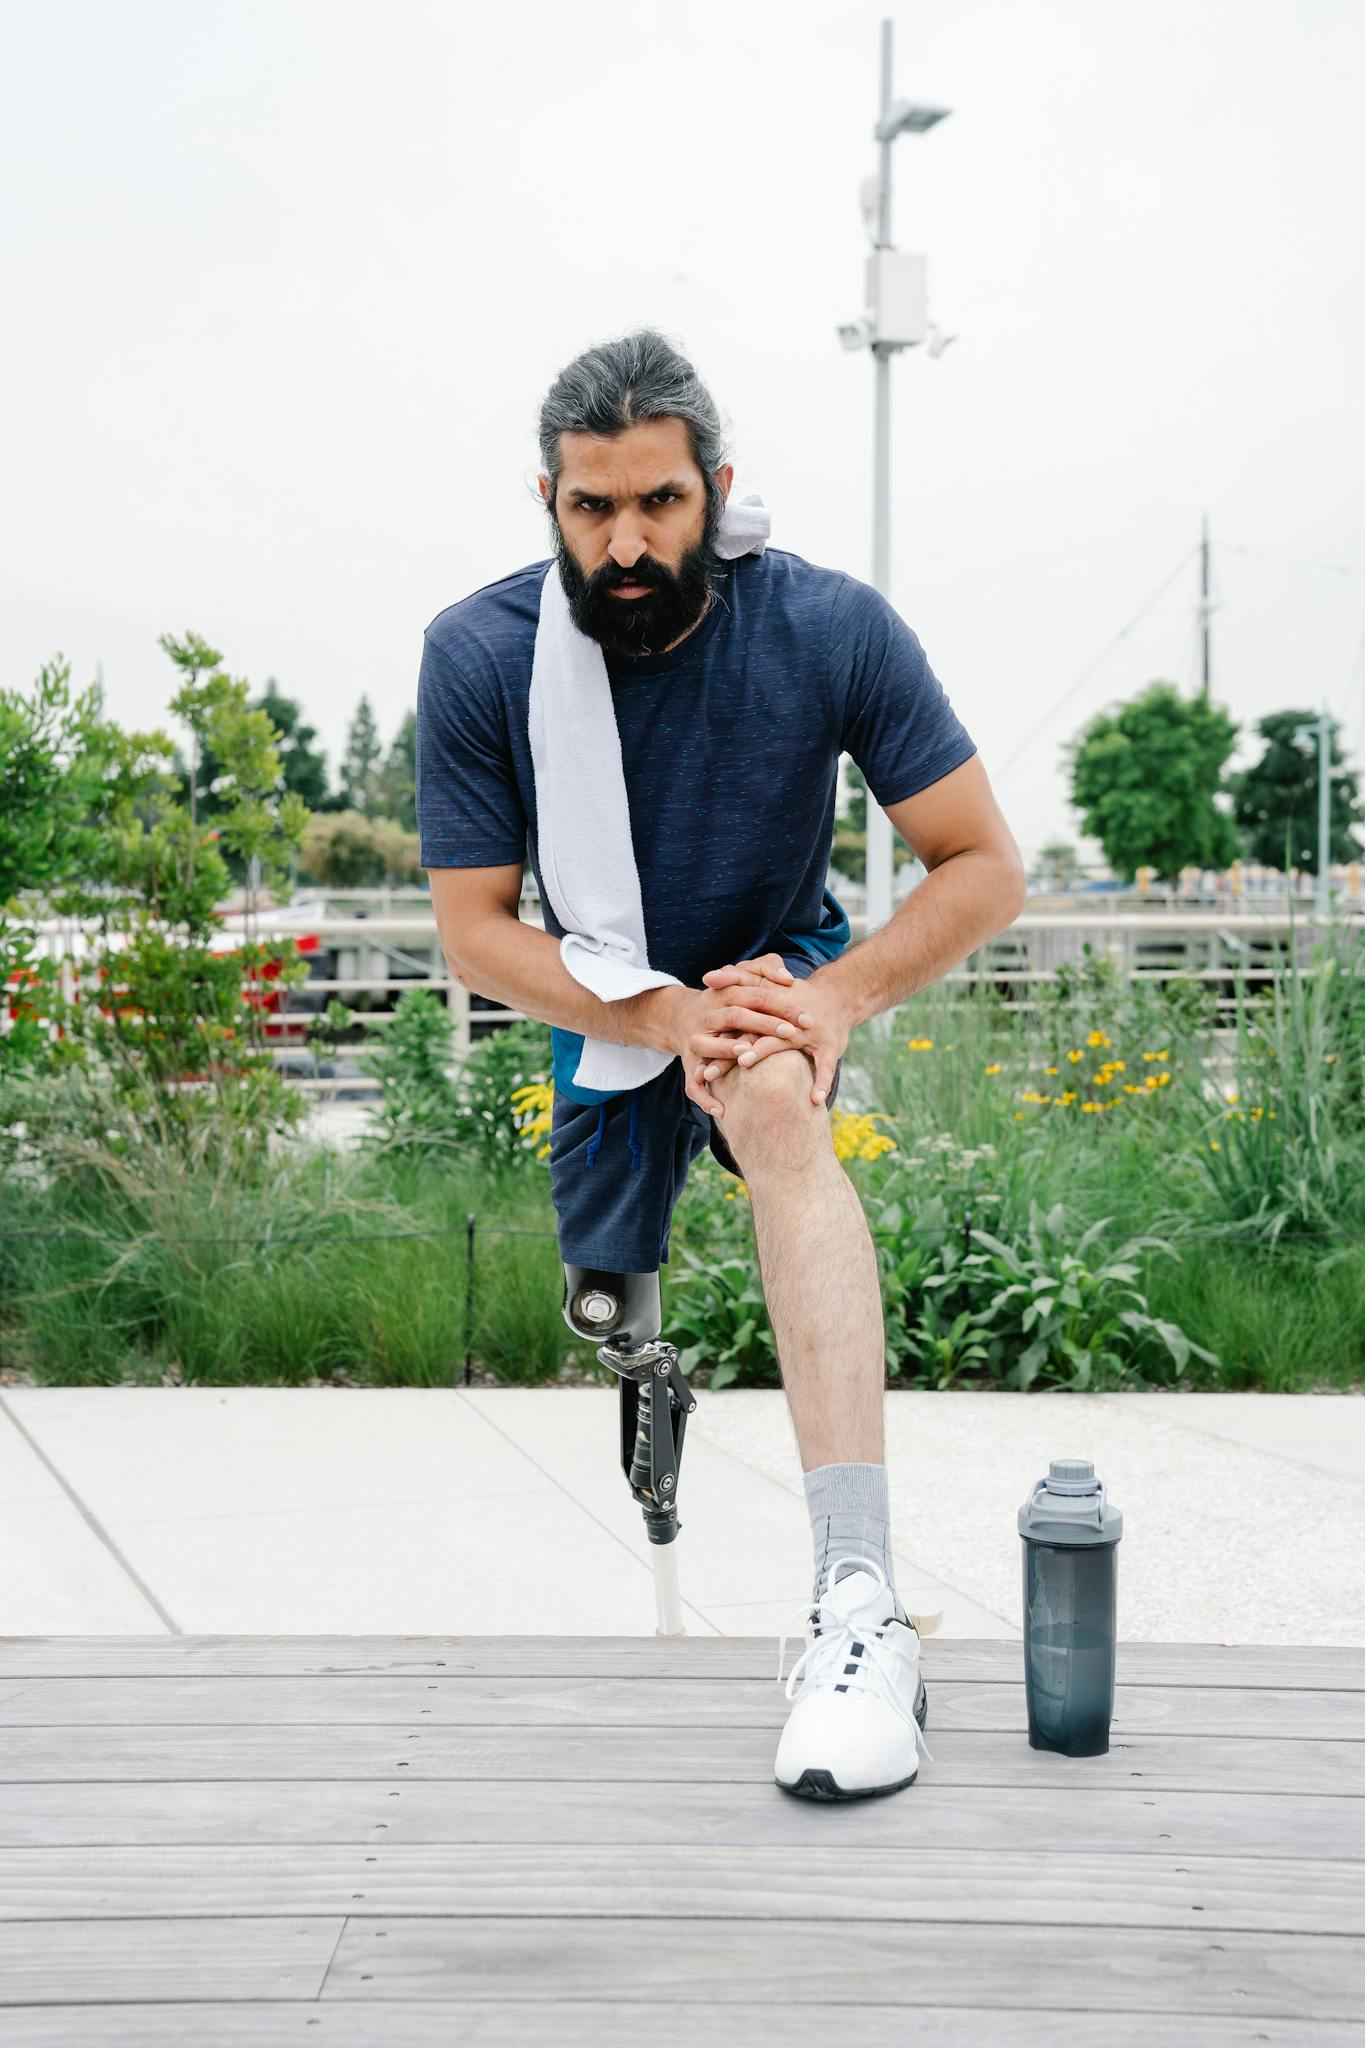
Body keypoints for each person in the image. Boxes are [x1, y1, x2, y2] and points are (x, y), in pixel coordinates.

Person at [416, 328, 1026, 1800]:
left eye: (659, 505)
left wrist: (824, 1005)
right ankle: (654, 1374)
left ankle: (857, 1602)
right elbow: (475, 930)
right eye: (589, 508)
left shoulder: (827, 626)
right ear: (548, 500)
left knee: (769, 1101)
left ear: (718, 489)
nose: (624, 542)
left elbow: (980, 866)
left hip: (771, 974)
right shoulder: (480, 651)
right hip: (610, 990)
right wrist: (656, 1016)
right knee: (614, 1313)